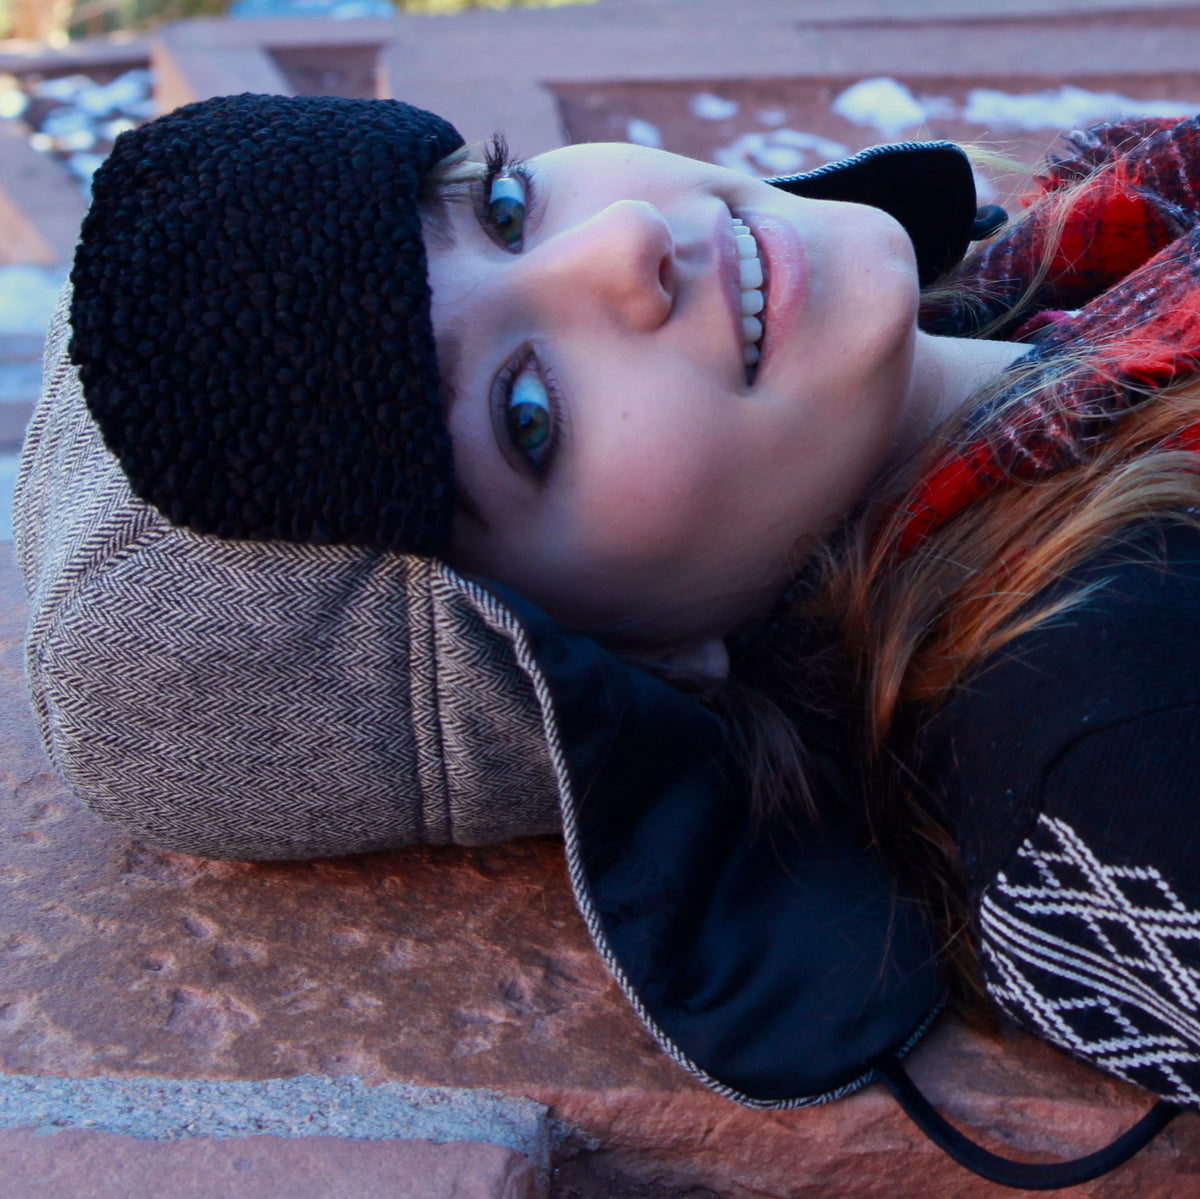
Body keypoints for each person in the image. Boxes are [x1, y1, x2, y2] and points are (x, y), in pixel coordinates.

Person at [16, 92, 1200, 1183]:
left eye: (504, 206)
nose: (623, 242)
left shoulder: (1099, 241)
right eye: (529, 416)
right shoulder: (1118, 726)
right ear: (632, 669)